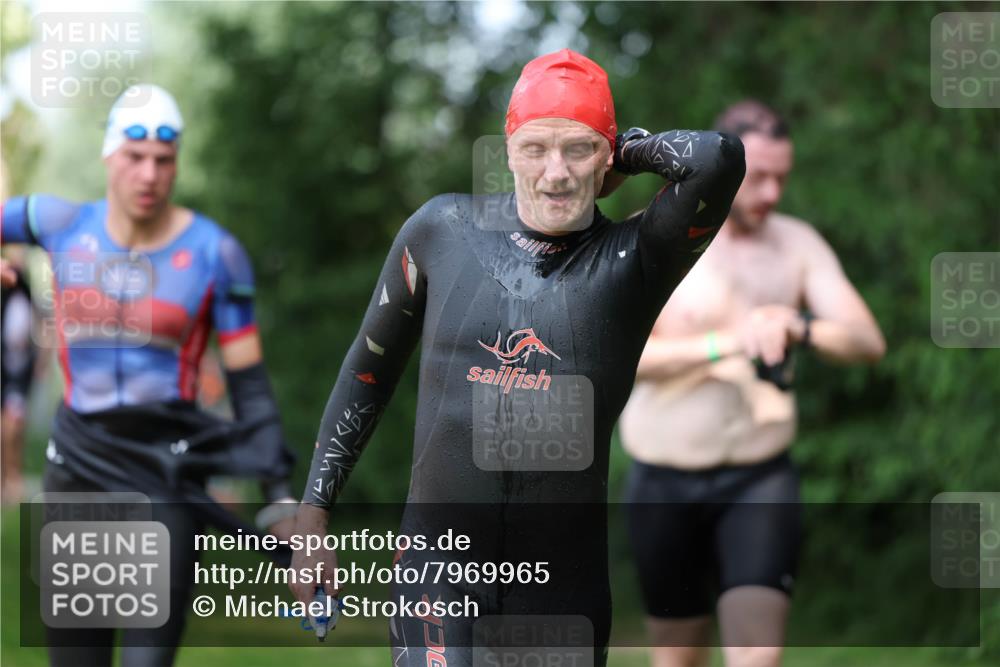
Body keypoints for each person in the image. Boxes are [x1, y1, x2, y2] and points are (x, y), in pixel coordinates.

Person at [288, 49, 746, 666]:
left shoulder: (634, 260)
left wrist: (625, 149)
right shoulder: (442, 230)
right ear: (507, 150)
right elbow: (368, 372)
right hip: (438, 571)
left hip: (563, 590)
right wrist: (314, 513)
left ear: (607, 156)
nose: (555, 173)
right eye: (535, 148)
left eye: (578, 150)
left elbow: (719, 158)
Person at [1, 84, 297, 667]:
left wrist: (280, 499)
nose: (149, 174)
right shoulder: (60, 223)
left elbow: (250, 386)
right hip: (77, 472)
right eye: (135, 157)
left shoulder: (215, 253)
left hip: (164, 475)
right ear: (109, 155)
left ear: (176, 163)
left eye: (164, 160)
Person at [619, 100, 886, 667]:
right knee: (677, 658)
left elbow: (866, 341)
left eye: (781, 178)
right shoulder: (656, 235)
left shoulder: (797, 243)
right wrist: (727, 343)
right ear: (722, 170)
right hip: (662, 482)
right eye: (758, 177)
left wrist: (799, 326)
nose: (771, 193)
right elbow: (616, 355)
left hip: (759, 480)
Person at [1, 251, 37, 504]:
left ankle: (13, 476)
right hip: (5, 368)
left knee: (15, 423)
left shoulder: (27, 294)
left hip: (21, 370)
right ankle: (6, 477)